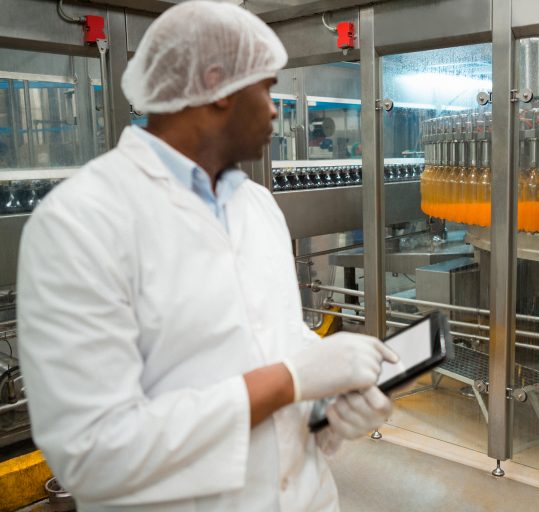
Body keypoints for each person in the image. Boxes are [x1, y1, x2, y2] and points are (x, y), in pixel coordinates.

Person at [17, 2, 398, 511]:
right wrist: (291, 381)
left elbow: (274, 339)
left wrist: (328, 403)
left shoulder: (257, 205)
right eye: (265, 88)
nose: (273, 107)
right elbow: (94, 452)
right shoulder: (82, 222)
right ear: (217, 85)